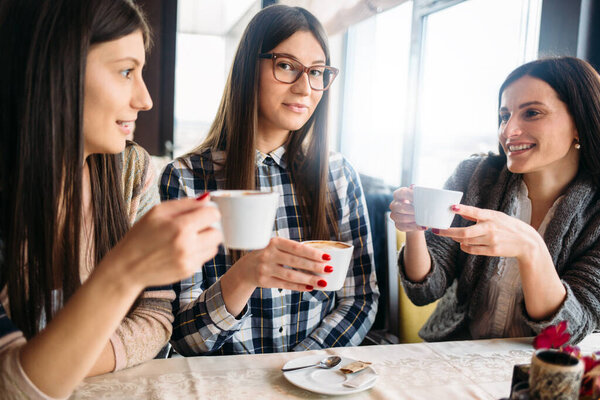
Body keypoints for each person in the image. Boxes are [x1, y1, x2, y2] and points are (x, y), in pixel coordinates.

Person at [0, 0, 221, 398]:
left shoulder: (130, 171)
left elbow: (156, 316)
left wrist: (59, 360)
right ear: (58, 70)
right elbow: (11, 387)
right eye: (125, 72)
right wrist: (126, 270)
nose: (145, 99)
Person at [160, 4, 379, 356]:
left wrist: (301, 366)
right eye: (287, 66)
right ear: (250, 68)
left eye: (317, 72)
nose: (305, 87)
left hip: (314, 379)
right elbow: (185, 339)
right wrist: (244, 275)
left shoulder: (338, 174)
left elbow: (360, 299)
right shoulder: (186, 179)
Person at [390, 56, 600, 344]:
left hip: (539, 373)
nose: (508, 131)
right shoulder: (475, 177)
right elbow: (423, 291)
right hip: (456, 356)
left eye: (532, 113)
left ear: (579, 123)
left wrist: (530, 248)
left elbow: (566, 332)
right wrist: (415, 229)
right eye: (504, 116)